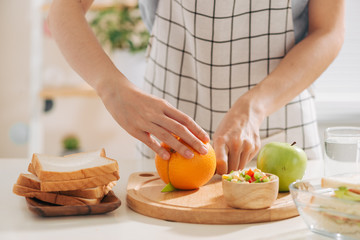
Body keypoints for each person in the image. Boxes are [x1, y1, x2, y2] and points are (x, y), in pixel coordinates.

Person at [48, 0, 344, 174]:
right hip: (167, 131)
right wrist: (111, 87)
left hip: (281, 120)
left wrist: (255, 106)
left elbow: (328, 30)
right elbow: (65, 8)